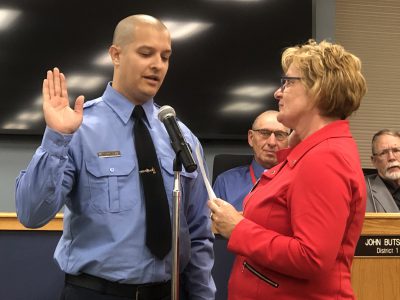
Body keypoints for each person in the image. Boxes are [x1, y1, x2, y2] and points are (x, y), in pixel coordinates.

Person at [15, 15, 215, 300]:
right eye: (146, 53)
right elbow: (31, 214)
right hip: (95, 292)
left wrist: (202, 296)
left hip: (168, 292)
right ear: (116, 55)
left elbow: (198, 232)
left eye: (165, 56)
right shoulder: (78, 128)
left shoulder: (181, 136)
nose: (157, 64)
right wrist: (57, 138)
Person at [208, 39, 367, 299]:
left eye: (288, 82)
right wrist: (295, 146)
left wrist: (238, 229)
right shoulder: (314, 153)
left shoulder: (324, 158)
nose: (278, 93)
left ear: (319, 89)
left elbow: (311, 257)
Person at [213, 110, 290, 211]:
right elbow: (214, 224)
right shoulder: (225, 182)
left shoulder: (298, 182)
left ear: (289, 141)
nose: (272, 142)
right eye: (265, 133)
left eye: (280, 135)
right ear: (251, 137)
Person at [365, 129, 400, 212]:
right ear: (374, 161)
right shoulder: (361, 189)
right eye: (383, 153)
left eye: (396, 150)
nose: (391, 158)